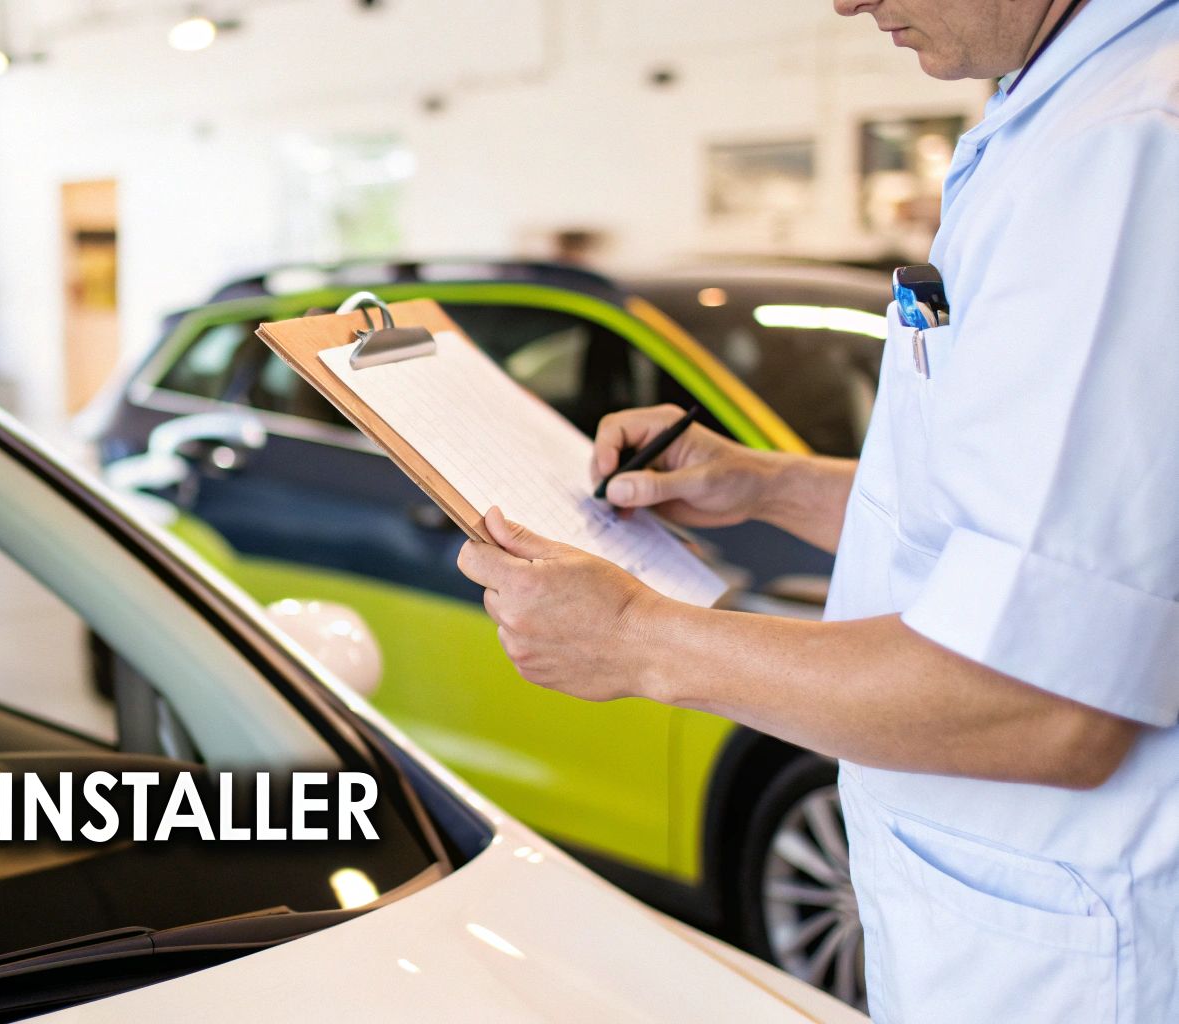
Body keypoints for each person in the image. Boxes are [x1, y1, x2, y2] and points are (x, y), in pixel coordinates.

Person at [457, 0, 1178, 1019]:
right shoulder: (1063, 114)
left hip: (1076, 958)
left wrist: (636, 640)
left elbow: (1039, 702)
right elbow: (1014, 532)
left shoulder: (1125, 151)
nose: (844, 1)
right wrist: (766, 485)